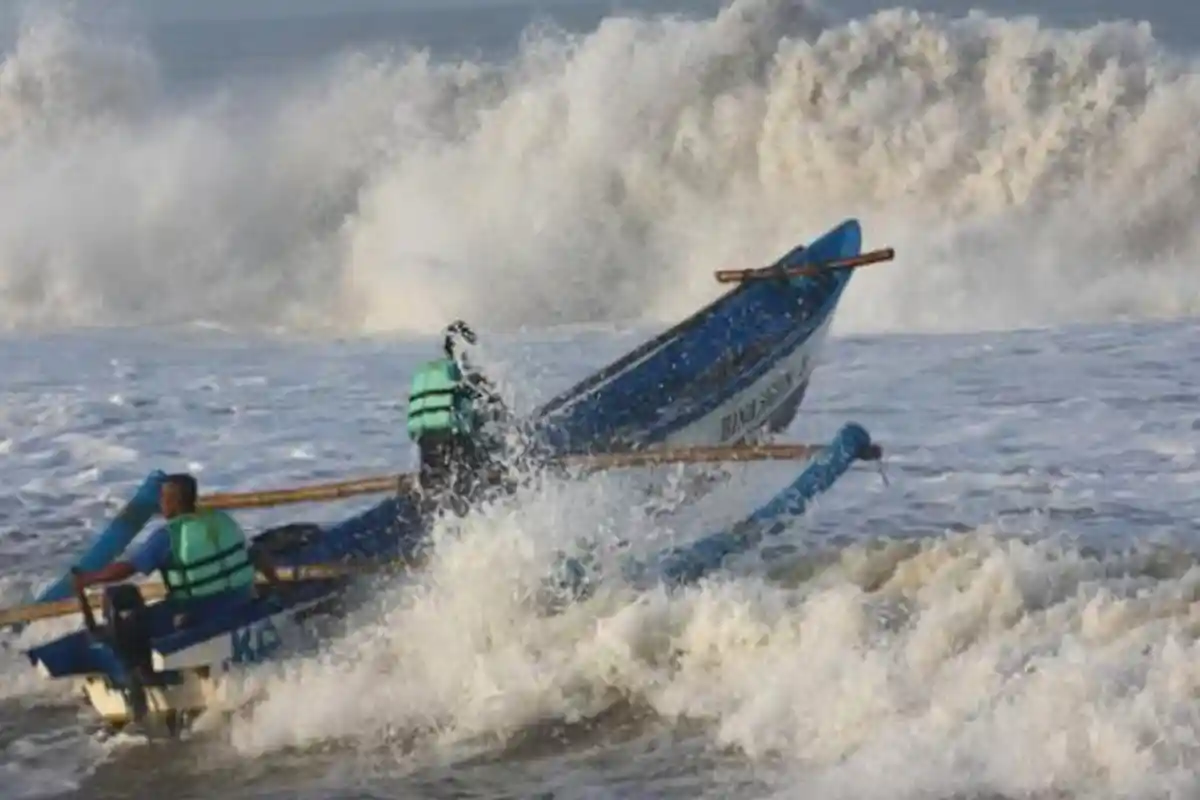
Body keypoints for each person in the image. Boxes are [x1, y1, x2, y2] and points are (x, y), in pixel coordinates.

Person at [72, 473, 285, 622]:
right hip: (242, 597)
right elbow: (256, 554)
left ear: (174, 502)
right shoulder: (222, 519)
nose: (160, 503)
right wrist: (277, 587)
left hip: (199, 611)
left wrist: (89, 579)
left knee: (125, 605)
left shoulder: (169, 536)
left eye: (163, 498)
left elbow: (128, 569)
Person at [406, 320, 509, 512]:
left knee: (436, 494)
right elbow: (497, 414)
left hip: (427, 445)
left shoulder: (429, 374)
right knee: (470, 488)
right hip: (455, 443)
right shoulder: (470, 376)